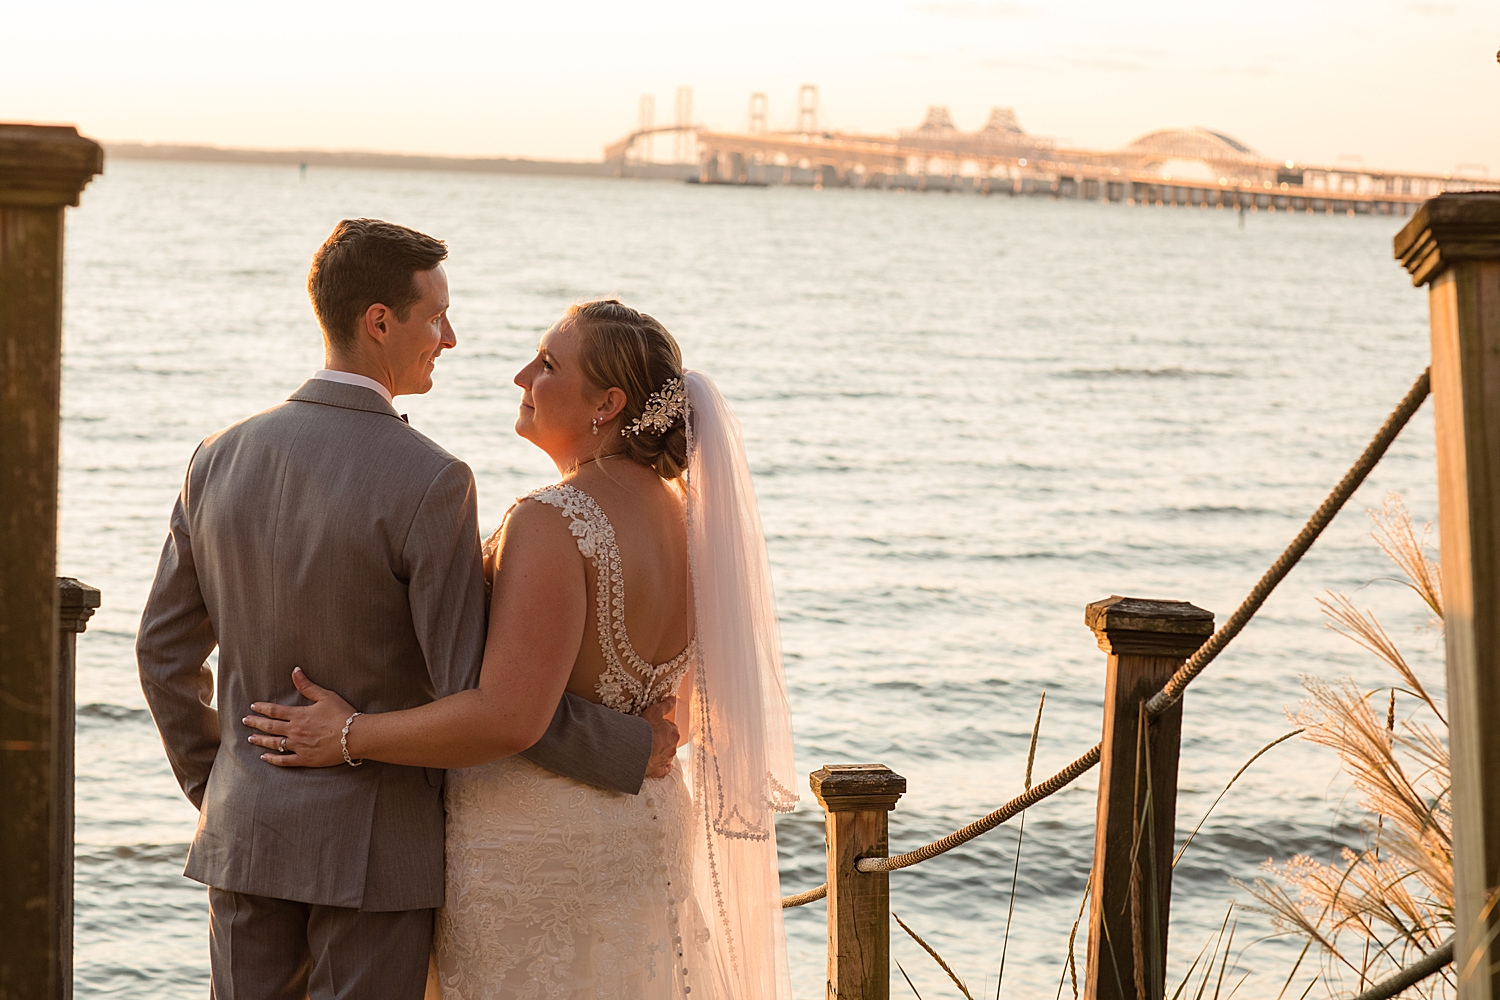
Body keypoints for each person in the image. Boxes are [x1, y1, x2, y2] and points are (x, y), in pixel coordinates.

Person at [136, 221, 678, 1000]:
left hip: (245, 838)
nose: (450, 338)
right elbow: (480, 694)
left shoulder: (217, 455)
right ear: (379, 322)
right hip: (377, 855)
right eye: (435, 317)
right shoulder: (431, 481)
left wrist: (231, 781)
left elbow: (161, 657)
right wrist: (633, 744)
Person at [243, 300, 799, 1000]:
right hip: (643, 829)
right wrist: (640, 737)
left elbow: (510, 715)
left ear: (608, 403)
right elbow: (674, 713)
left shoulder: (552, 521)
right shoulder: (689, 521)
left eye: (546, 364)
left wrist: (349, 735)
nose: (520, 377)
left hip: (536, 852)